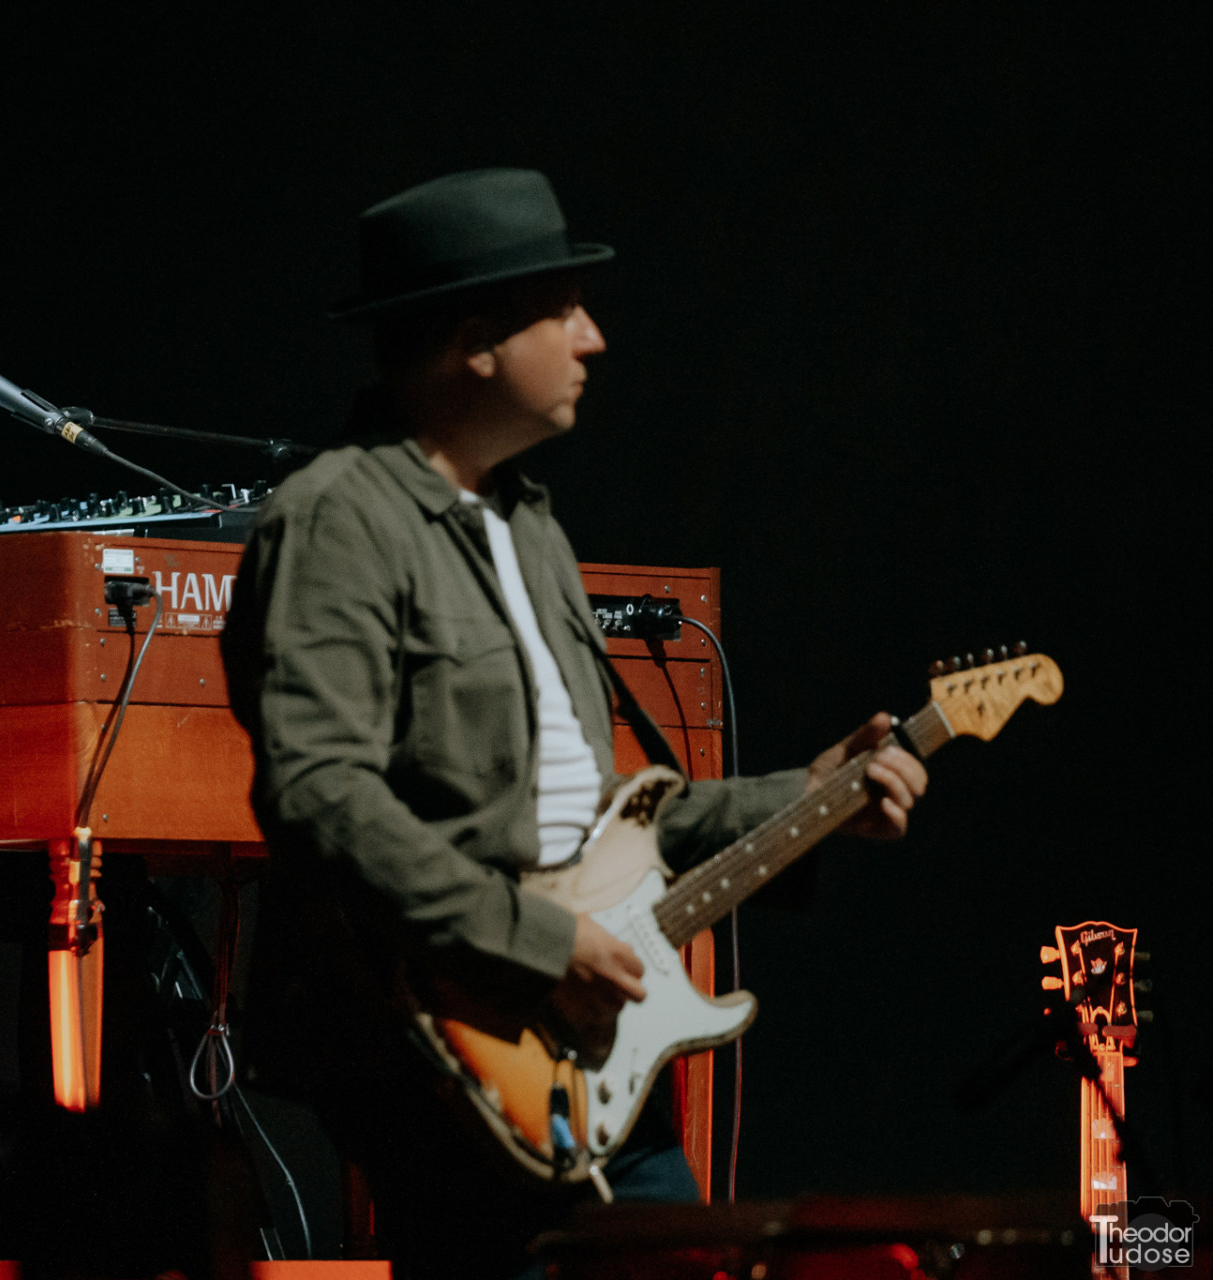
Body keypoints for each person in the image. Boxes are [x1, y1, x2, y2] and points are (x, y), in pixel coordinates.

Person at [223, 169, 928, 1277]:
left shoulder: (531, 527)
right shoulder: (336, 522)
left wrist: (810, 795)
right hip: (448, 1053)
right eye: (565, 310)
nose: (593, 338)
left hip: (584, 1055)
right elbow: (321, 795)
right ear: (477, 343)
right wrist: (543, 942)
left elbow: (600, 820)